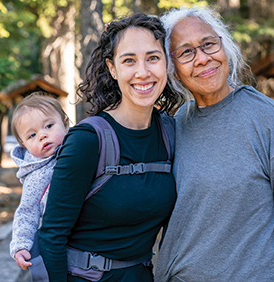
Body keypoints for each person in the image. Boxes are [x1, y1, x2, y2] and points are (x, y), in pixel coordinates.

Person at [155, 6, 274, 282]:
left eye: (208, 44)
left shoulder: (268, 117)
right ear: (173, 70)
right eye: (186, 52)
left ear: (224, 46)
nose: (203, 59)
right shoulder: (177, 123)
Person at [39, 13, 182, 282]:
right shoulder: (88, 140)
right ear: (112, 68)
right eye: (129, 60)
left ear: (166, 64)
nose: (142, 72)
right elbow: (51, 236)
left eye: (153, 58)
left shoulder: (172, 133)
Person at [9, 92, 69, 270]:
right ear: (23, 144)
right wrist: (20, 246)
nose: (42, 135)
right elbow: (27, 212)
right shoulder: (36, 176)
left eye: (49, 126)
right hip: (64, 238)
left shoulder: (80, 149)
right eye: (32, 135)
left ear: (66, 123)